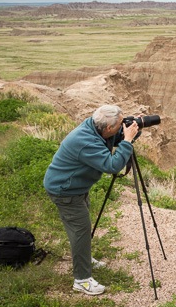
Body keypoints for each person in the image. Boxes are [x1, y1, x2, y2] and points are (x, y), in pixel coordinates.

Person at [44, 104, 139, 296]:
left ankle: (84, 257)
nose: (121, 128)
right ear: (108, 128)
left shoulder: (94, 126)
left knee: (82, 227)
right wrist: (127, 142)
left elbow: (112, 139)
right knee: (80, 230)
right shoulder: (85, 141)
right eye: (119, 125)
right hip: (65, 191)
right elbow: (112, 165)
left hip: (75, 188)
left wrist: (130, 132)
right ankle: (82, 280)